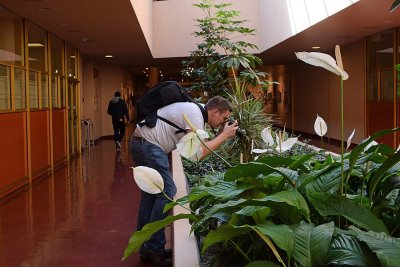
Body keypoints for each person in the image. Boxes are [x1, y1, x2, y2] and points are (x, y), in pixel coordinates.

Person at [129, 96, 238, 266]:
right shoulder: (195, 114)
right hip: (148, 145)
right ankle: (153, 248)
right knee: (167, 193)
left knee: (150, 196)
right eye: (224, 119)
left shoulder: (195, 110)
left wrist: (221, 133)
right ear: (215, 112)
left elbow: (193, 152)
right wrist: (224, 135)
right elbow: (198, 154)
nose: (224, 123)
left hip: (140, 142)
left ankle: (147, 247)